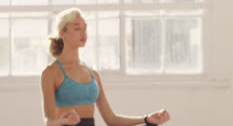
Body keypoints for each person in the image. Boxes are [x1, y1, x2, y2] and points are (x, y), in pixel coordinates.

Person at [41, 8, 171, 126]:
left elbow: (111, 120)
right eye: (77, 28)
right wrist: (63, 121)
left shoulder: (92, 74)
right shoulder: (51, 73)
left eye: (84, 28)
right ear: (62, 33)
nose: (83, 33)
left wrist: (146, 119)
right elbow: (49, 122)